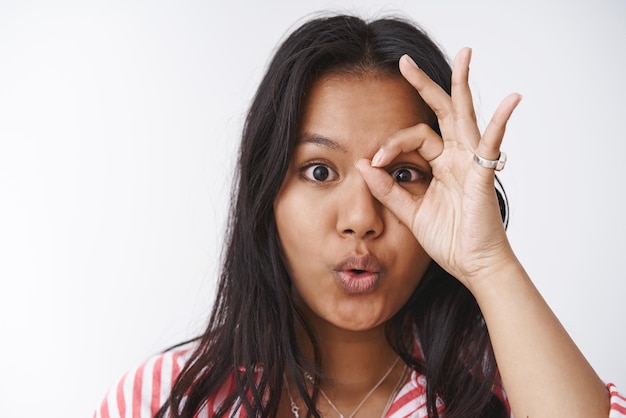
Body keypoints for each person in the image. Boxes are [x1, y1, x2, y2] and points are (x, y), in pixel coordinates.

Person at [94, 14, 625, 418]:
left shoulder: (507, 389)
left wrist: (487, 262)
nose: (361, 218)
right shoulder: (164, 398)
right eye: (320, 172)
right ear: (266, 192)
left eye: (402, 175)